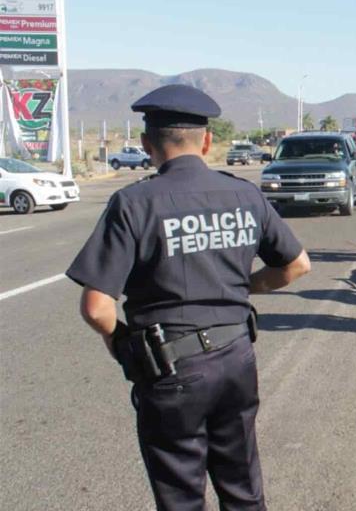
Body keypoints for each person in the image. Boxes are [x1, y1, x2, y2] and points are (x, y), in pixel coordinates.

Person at [66, 84, 311, 511]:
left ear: (146, 144)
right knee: (243, 489)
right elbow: (296, 265)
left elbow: (97, 306)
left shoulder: (134, 203)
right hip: (236, 359)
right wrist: (242, 286)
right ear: (208, 141)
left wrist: (122, 346)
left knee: (181, 496)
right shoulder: (244, 194)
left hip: (170, 368)